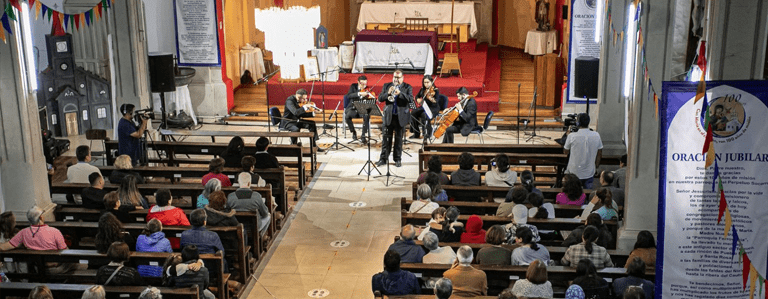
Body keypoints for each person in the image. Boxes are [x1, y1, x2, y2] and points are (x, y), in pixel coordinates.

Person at [376, 70, 413, 168]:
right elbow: (380, 98)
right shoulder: (387, 85)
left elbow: (410, 99)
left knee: (398, 139)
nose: (396, 80)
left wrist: (400, 93)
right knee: (385, 139)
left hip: (400, 117)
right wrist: (388, 93)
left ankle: (397, 159)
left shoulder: (407, 87)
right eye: (395, 77)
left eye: (398, 78)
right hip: (389, 116)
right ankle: (383, 159)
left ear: (402, 78)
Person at [0, 206, 66, 251]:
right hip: (55, 266)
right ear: (41, 217)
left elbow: (4, 247)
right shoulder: (54, 231)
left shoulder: (23, 232)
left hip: (37, 266)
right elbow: (63, 249)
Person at [563, 113, 603, 189]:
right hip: (589, 171)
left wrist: (567, 135)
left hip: (574, 172)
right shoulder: (596, 135)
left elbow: (566, 151)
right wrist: (596, 166)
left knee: (573, 193)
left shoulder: (572, 136)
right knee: (587, 192)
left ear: (577, 123)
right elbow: (599, 153)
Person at [410, 75, 441, 139]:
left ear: (431, 82)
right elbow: (417, 96)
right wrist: (418, 99)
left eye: (428, 82)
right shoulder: (422, 89)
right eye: (425, 82)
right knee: (413, 113)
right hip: (424, 107)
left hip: (433, 108)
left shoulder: (435, 90)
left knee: (424, 115)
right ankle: (416, 133)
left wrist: (431, 99)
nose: (426, 84)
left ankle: (427, 133)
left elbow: (437, 101)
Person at [344, 75, 373, 143]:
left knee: (366, 116)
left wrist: (368, 95)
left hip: (362, 108)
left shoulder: (368, 89)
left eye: (365, 83)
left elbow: (371, 100)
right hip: (352, 108)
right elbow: (349, 95)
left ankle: (363, 135)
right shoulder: (353, 86)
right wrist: (359, 93)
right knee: (347, 116)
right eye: (362, 83)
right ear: (358, 82)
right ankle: (353, 132)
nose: (363, 85)